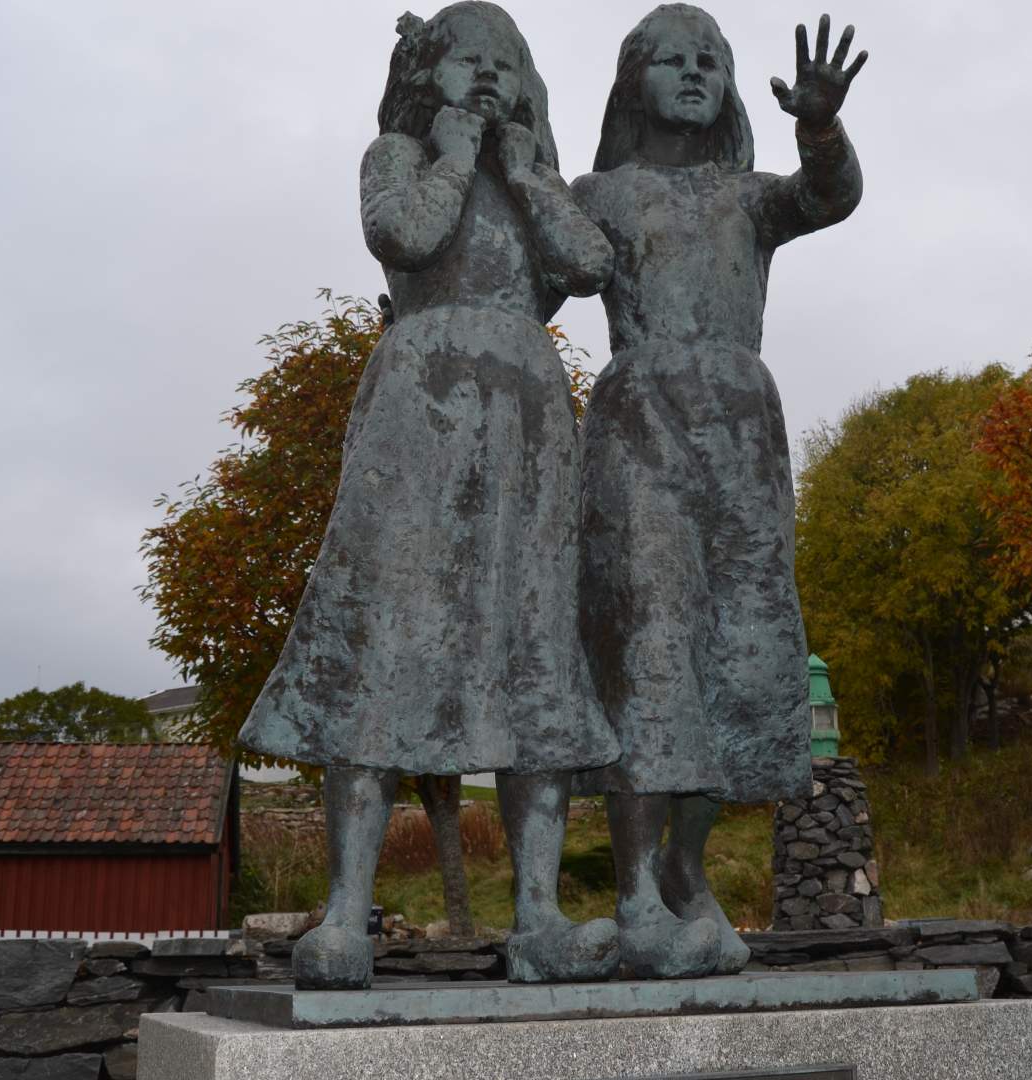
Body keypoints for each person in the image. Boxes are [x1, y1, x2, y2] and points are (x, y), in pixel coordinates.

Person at [239, 1, 621, 989]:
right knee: (388, 635)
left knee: (534, 643)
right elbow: (403, 238)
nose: (487, 77)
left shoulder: (536, 179)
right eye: (466, 61)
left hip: (528, 408)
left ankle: (540, 917)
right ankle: (343, 915)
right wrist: (455, 155)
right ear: (424, 78)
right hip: (422, 393)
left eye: (506, 62)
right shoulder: (395, 157)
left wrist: (530, 172)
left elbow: (587, 266)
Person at [573, 5, 868, 978]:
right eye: (672, 59)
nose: (695, 72)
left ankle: (684, 872)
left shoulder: (750, 197)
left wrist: (818, 127)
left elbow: (829, 198)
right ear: (633, 81)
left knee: (742, 658)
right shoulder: (601, 194)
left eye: (712, 60)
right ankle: (632, 898)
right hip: (637, 424)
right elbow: (527, 270)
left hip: (741, 430)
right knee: (653, 656)